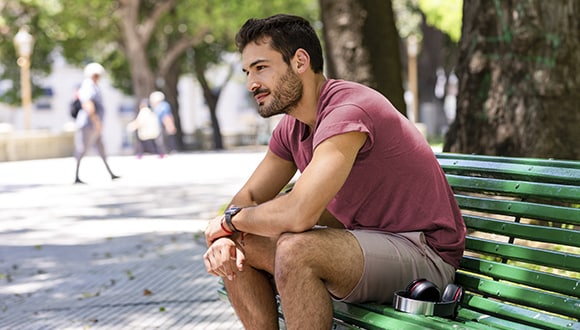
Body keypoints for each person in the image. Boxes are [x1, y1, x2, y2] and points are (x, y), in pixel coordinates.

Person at [203, 14, 466, 330]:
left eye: (261, 68)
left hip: (422, 254)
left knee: (296, 250)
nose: (252, 84)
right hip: (364, 246)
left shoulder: (347, 111)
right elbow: (251, 196)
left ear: (300, 61)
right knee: (239, 245)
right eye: (247, 72)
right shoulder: (293, 127)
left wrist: (228, 221)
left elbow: (299, 212)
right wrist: (227, 235)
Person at [74, 62, 120, 184]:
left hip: (94, 124)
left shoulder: (94, 86)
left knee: (101, 148)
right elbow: (88, 104)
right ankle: (76, 175)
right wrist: (96, 122)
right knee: (82, 149)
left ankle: (110, 173)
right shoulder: (88, 85)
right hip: (89, 124)